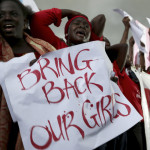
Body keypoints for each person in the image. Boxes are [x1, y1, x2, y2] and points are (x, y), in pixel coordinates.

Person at [0, 0, 55, 150]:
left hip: (44, 132)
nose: (6, 18)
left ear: (25, 21)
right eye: (1, 15)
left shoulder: (44, 49)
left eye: (13, 14)